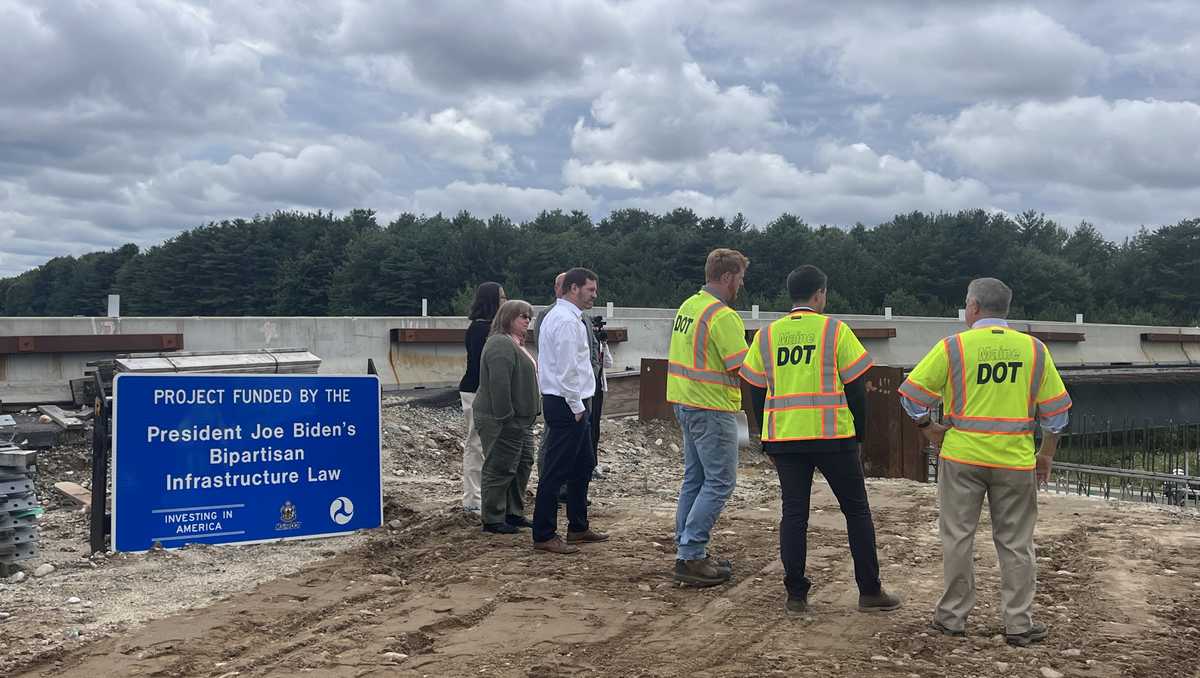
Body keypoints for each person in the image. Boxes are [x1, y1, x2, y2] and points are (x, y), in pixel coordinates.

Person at [899, 277, 1071, 647]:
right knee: (1016, 542)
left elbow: (911, 395)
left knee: (958, 537)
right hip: (1014, 460)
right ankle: (1019, 624)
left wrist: (928, 427)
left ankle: (951, 618)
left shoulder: (953, 347)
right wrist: (1046, 455)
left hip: (962, 457)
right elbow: (1056, 414)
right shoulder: (1034, 350)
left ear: (973, 307)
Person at [740, 265, 902, 614]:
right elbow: (857, 389)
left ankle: (796, 595)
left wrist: (765, 436)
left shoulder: (767, 336)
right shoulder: (835, 331)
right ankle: (869, 590)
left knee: (794, 513)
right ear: (820, 295)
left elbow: (755, 389)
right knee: (856, 511)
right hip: (834, 437)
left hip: (785, 438)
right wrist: (859, 435)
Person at [666, 248, 750, 586]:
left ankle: (687, 547)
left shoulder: (689, 306)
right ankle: (691, 554)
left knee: (696, 479)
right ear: (728, 277)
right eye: (740, 279)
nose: (740, 286)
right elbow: (742, 365)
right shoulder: (723, 316)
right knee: (719, 482)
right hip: (712, 407)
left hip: (686, 403)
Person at [533, 267, 609, 554]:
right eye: (590, 289)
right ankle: (544, 534)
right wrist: (577, 407)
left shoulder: (569, 318)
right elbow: (567, 370)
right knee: (556, 471)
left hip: (574, 402)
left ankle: (578, 526)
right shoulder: (565, 321)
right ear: (574, 288)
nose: (594, 295)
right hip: (567, 404)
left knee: (582, 466)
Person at [473, 300, 540, 534]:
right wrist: (507, 417)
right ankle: (492, 517)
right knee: (500, 466)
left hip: (522, 420)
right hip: (501, 419)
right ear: (508, 317)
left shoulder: (517, 343)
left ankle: (513, 512)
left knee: (522, 464)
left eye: (529, 318)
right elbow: (499, 384)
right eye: (522, 316)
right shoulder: (500, 344)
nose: (526, 321)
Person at [458, 282, 505, 514]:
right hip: (475, 391)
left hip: (483, 391)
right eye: (502, 298)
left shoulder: (488, 329)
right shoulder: (479, 329)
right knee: (475, 443)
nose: (505, 302)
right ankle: (472, 498)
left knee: (488, 445)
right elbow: (482, 366)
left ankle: (485, 494)